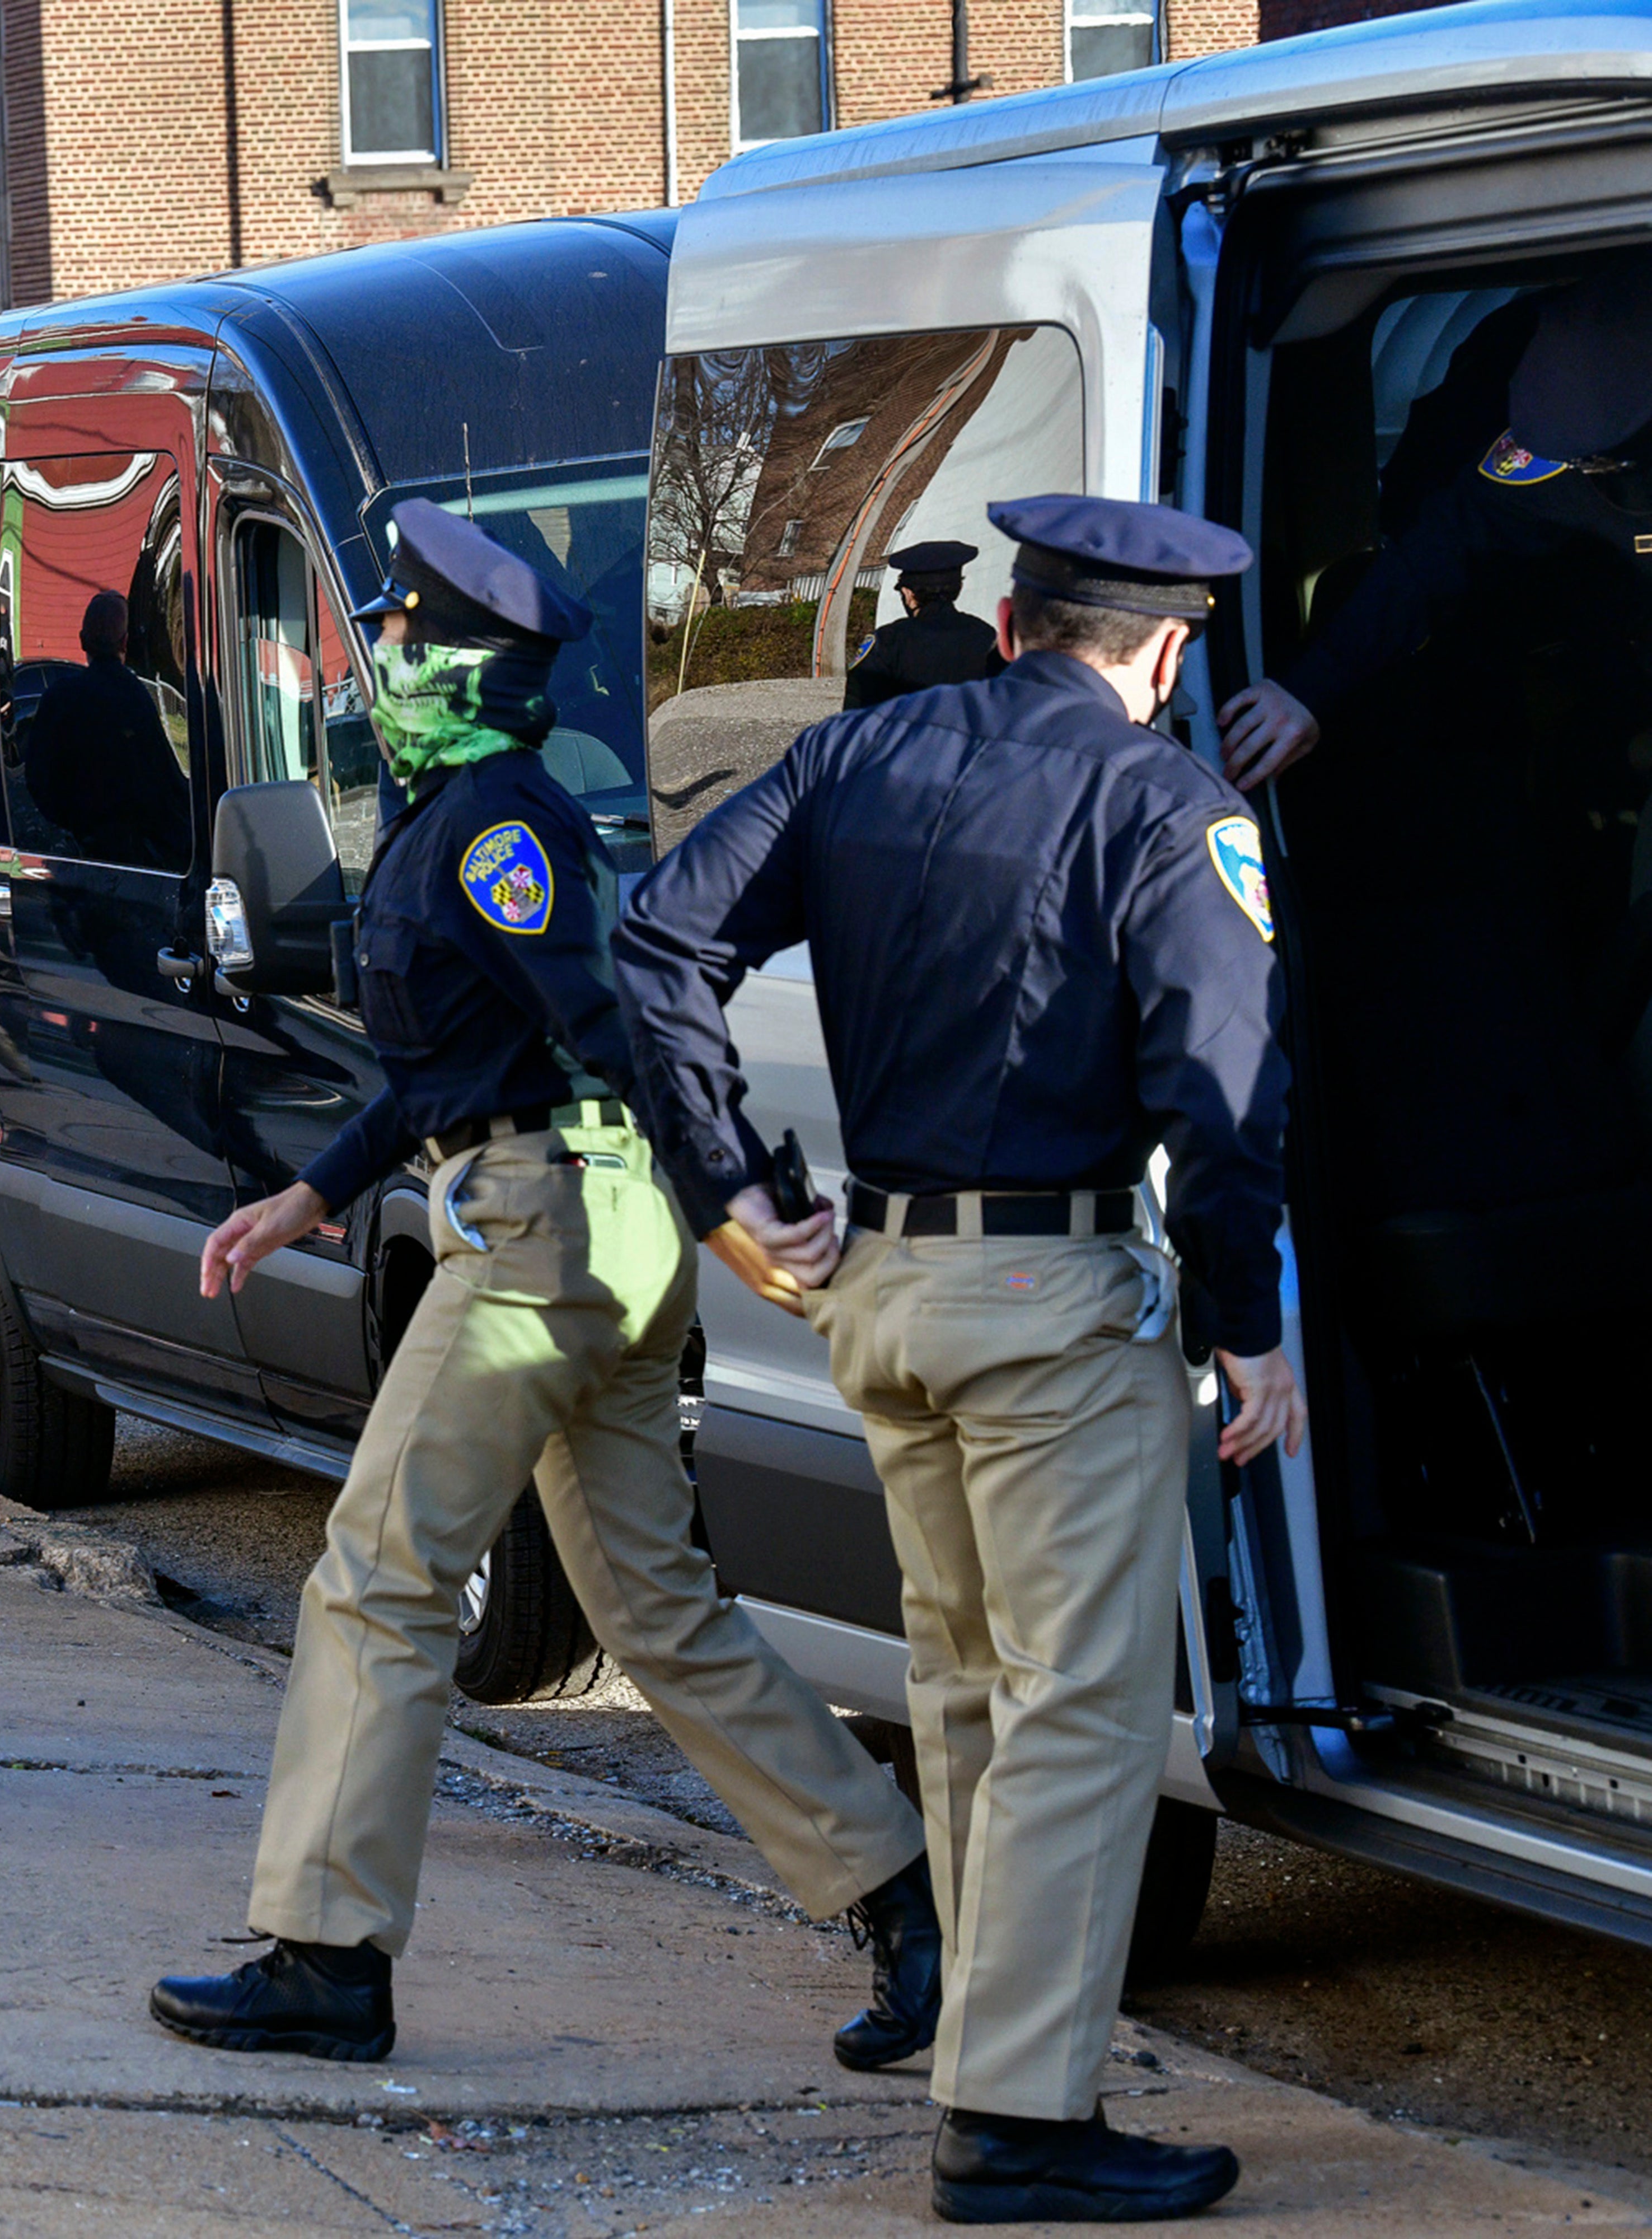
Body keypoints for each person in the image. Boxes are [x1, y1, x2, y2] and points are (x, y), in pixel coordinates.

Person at [148, 501, 940, 2078]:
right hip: (587, 1227)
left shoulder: (497, 830)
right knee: (653, 1605)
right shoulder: (466, 817)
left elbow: (615, 1021)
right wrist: (312, 1190)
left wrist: (738, 1198)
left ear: (463, 665)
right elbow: (459, 1060)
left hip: (540, 1234)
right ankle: (903, 1894)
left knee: (378, 1572)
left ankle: (328, 1954)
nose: (381, 655)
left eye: (403, 632)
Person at [614, 495, 1302, 2226]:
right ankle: (1015, 2115)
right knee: (1079, 1709)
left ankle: (986, 2069)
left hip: (880, 1290)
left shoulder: (852, 756)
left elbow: (658, 939)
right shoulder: (1167, 801)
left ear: (1007, 625)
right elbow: (1223, 1096)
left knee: (973, 1692)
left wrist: (730, 1190)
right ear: (1164, 651)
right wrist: (1247, 1324)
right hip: (1050, 1304)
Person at [1221, 260, 1652, 789]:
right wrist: (1305, 692)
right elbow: (1432, 557)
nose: (1583, 469)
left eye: (1600, 462)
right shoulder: (1553, 448)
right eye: (1583, 463)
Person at [18, 590, 184, 869]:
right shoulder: (137, 699)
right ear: (125, 642)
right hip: (134, 859)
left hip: (75, 855)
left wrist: (75, 826)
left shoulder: (60, 698)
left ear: (82, 641)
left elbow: (38, 778)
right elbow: (161, 779)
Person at [842, 539, 1004, 711]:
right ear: (959, 588)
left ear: (909, 595)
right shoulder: (986, 635)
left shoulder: (888, 641)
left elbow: (857, 710)